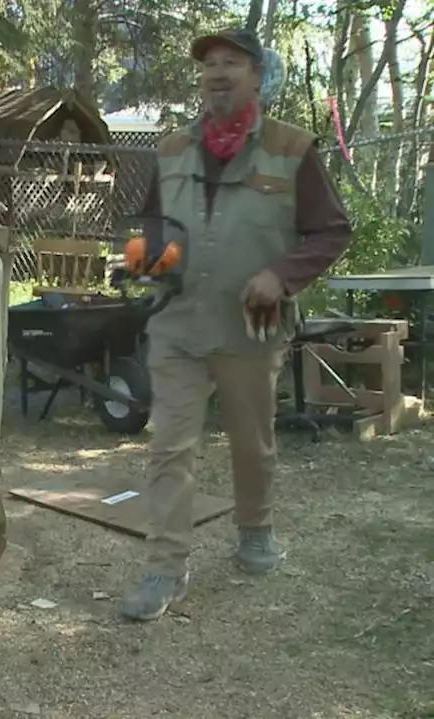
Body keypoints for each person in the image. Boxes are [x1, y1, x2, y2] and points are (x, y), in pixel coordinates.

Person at [121, 28, 354, 622]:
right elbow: (155, 221)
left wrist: (282, 274)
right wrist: (148, 264)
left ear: (257, 75)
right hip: (178, 323)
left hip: (250, 324)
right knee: (170, 446)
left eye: (232, 63)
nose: (218, 73)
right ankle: (165, 567)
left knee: (252, 443)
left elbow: (330, 230)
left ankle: (255, 529)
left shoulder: (292, 147)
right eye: (209, 64)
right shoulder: (171, 149)